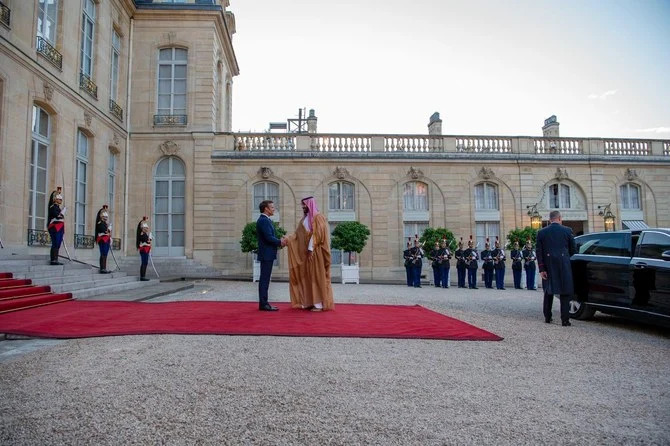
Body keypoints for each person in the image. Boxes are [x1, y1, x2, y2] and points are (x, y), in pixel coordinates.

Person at [285, 196, 334, 311]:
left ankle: (319, 304)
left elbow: (317, 234)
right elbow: (297, 235)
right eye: (302, 205)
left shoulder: (318, 217)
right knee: (307, 277)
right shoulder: (304, 219)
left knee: (316, 276)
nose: (303, 207)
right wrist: (287, 240)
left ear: (309, 204)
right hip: (307, 254)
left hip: (315, 253)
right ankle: (309, 302)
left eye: (304, 205)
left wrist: (311, 248)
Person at [536, 210, 576, 326]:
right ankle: (565, 320)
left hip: (548, 265)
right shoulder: (567, 231)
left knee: (548, 292)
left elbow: (539, 252)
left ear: (550, 219)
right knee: (565, 292)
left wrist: (541, 269)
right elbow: (573, 250)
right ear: (559, 218)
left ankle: (548, 317)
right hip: (563, 264)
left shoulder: (542, 232)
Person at [256, 200, 284, 311]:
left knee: (265, 279)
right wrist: (280, 242)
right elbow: (268, 237)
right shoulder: (264, 221)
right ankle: (264, 304)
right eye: (272, 207)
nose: (274, 209)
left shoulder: (266, 220)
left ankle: (264, 303)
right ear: (266, 209)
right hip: (266, 254)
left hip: (267, 253)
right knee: (264, 279)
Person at [47, 187, 65, 265]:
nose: (61, 200)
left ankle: (56, 259)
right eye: (59, 199)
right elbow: (57, 216)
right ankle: (53, 259)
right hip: (55, 227)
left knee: (58, 243)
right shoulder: (52, 207)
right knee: (55, 242)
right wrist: (62, 213)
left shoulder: (58, 207)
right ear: (55, 199)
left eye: (61, 199)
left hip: (60, 227)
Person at [95, 205, 112, 274]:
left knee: (105, 254)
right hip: (102, 239)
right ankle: (102, 268)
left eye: (106, 217)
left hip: (106, 239)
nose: (105, 218)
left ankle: (104, 268)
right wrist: (108, 229)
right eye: (104, 217)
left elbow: (107, 232)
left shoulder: (105, 223)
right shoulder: (100, 223)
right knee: (103, 254)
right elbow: (105, 231)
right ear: (101, 216)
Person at [136, 217, 152, 282]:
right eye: (145, 228)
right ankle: (142, 276)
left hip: (146, 250)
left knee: (145, 263)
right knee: (144, 263)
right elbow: (146, 242)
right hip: (144, 250)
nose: (147, 228)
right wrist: (149, 239)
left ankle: (143, 276)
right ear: (142, 228)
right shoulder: (142, 234)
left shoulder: (145, 234)